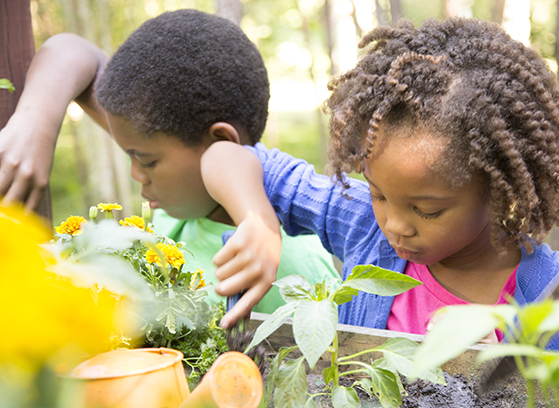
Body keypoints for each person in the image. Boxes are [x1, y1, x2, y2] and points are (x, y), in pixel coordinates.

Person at [200, 17, 559, 353]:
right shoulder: (362, 225)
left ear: (499, 188)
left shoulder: (553, 300)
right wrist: (258, 221)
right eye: (378, 193)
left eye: (427, 209)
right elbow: (227, 156)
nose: (394, 224)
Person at [0, 9, 339, 319]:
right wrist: (33, 125)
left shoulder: (295, 269)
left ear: (221, 143)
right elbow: (72, 51)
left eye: (146, 160)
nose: (136, 174)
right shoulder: (185, 195)